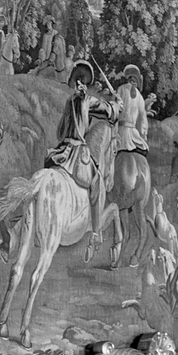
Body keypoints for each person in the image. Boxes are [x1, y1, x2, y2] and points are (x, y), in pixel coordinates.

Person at [45, 60, 119, 247]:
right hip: (78, 154)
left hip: (61, 153)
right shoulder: (88, 101)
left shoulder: (69, 101)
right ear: (84, 83)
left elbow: (60, 132)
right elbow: (109, 112)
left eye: (81, 82)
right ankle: (95, 232)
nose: (81, 85)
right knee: (96, 182)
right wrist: (118, 105)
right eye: (82, 82)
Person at [116, 64, 149, 156]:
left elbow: (116, 109)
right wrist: (143, 137)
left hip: (120, 132)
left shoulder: (121, 89)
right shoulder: (140, 97)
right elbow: (142, 122)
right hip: (134, 135)